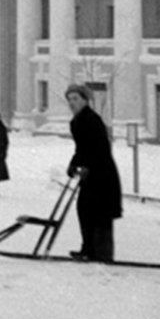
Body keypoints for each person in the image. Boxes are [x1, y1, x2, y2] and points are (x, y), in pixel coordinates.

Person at [65, 83, 123, 263]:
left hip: (103, 174)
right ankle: (88, 249)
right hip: (91, 174)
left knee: (100, 213)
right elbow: (81, 148)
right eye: (69, 99)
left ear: (85, 100)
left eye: (76, 99)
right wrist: (73, 165)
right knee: (85, 209)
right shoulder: (76, 122)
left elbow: (100, 148)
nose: (72, 103)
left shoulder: (92, 120)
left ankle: (102, 253)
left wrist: (87, 166)